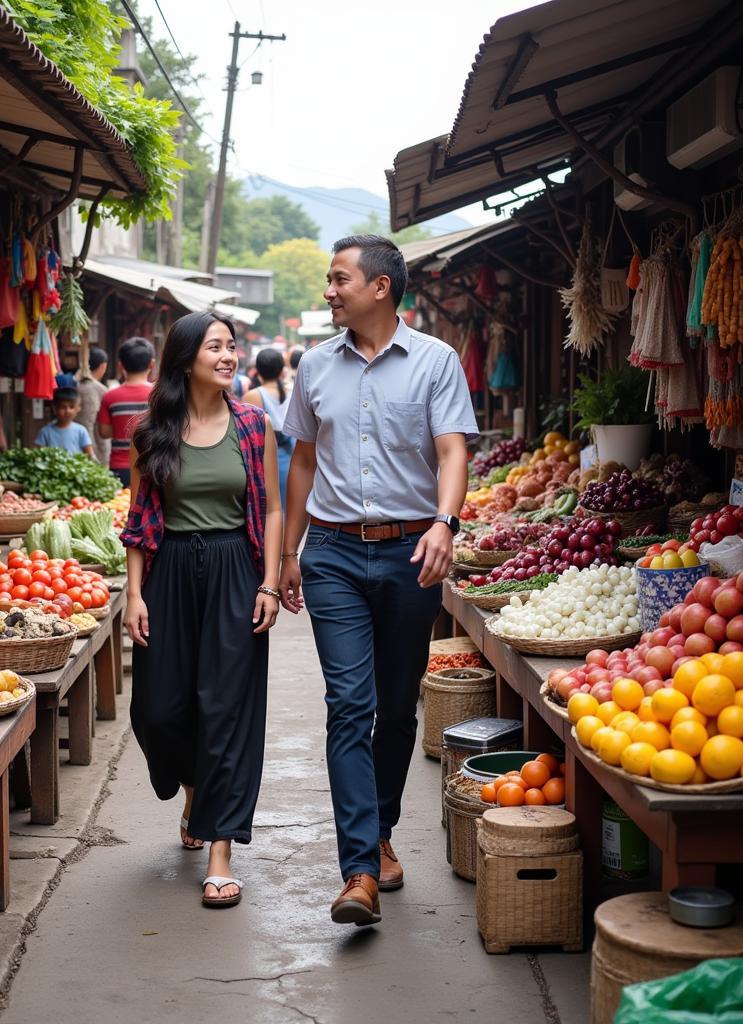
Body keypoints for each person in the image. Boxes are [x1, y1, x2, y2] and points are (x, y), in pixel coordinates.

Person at [280, 234, 477, 927]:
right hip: (333, 552)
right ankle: (359, 869)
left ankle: (383, 831)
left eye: (339, 280)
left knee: (395, 709)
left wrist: (444, 524)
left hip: (409, 555)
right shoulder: (314, 366)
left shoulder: (435, 361)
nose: (329, 291)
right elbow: (302, 461)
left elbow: (453, 450)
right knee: (347, 704)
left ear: (380, 288)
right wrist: (289, 552)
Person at [122, 310, 283, 910]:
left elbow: (268, 508)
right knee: (158, 710)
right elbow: (139, 521)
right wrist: (134, 594)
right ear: (186, 358)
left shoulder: (253, 425)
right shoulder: (152, 431)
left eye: (232, 346)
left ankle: (220, 850)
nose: (228, 355)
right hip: (168, 575)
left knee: (227, 710)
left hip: (234, 573)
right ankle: (194, 789)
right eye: (215, 346)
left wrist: (268, 582)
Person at [97, 336, 155, 488]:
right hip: (154, 464)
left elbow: (104, 432)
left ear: (120, 365)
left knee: (120, 507)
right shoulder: (159, 395)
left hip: (120, 467)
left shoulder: (109, 396)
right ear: (152, 364)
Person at [244, 348, 293, 512]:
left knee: (268, 511)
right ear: (281, 370)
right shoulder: (292, 392)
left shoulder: (253, 396)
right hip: (292, 457)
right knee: (286, 510)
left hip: (265, 460)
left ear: (258, 371)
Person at [34, 387, 94, 457]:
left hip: (76, 467)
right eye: (63, 407)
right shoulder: (45, 432)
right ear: (54, 408)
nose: (67, 411)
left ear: (78, 408)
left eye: (71, 407)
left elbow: (89, 454)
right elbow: (38, 454)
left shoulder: (81, 431)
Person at [77, 346, 110, 467]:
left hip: (76, 448)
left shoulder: (75, 385)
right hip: (97, 447)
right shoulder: (103, 391)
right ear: (103, 366)